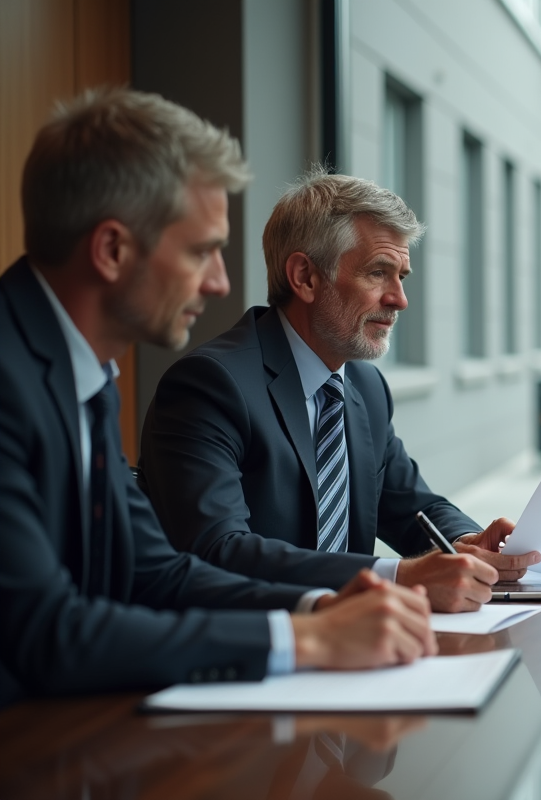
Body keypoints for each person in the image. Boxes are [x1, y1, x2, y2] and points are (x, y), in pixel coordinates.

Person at [0, 88, 438, 707]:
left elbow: (159, 571)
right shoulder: (14, 378)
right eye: (201, 250)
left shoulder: (80, 373)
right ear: (112, 250)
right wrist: (305, 640)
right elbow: (49, 632)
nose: (220, 281)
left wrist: (325, 608)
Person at [138, 168, 541, 613]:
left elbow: (411, 506)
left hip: (356, 649)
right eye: (377, 273)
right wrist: (397, 575)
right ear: (305, 277)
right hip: (253, 651)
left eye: (402, 276)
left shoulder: (364, 385)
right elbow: (217, 550)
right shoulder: (210, 384)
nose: (399, 299)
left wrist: (469, 542)